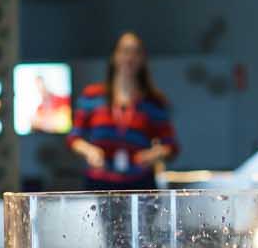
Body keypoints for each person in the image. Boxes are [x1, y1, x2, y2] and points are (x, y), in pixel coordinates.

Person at [69, 32, 179, 191]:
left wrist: (152, 155)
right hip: (99, 182)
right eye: (125, 51)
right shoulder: (92, 96)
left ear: (142, 59)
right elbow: (74, 138)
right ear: (115, 56)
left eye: (136, 52)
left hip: (140, 183)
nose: (130, 58)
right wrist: (90, 151)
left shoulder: (153, 102)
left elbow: (171, 146)